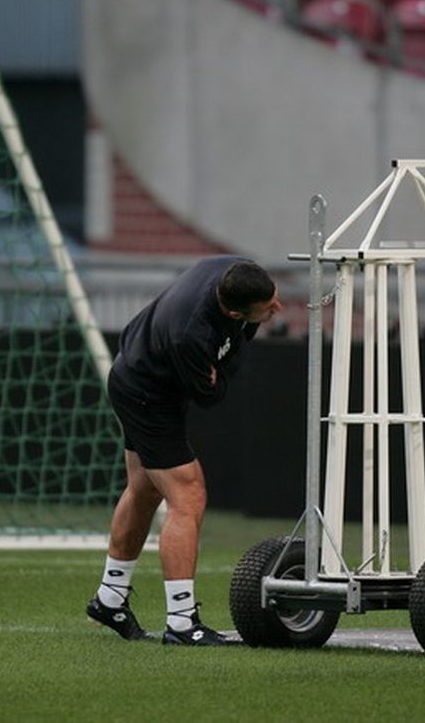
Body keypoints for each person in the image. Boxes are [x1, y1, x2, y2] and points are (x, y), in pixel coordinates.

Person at [86, 256, 282, 646]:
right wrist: (228, 360)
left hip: (136, 377)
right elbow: (209, 393)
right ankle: (180, 622)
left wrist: (242, 334)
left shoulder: (236, 271)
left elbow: (221, 365)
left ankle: (110, 598)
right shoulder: (190, 334)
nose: (277, 307)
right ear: (231, 310)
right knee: (188, 496)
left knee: (143, 490)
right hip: (147, 395)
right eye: (267, 308)